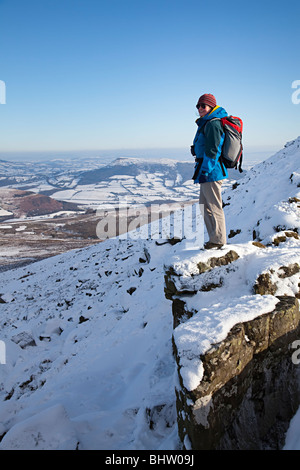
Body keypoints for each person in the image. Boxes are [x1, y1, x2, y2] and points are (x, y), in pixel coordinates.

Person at [191, 93, 228, 249]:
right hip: (205, 169)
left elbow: (213, 150)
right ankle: (214, 238)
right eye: (198, 106)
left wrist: (206, 170)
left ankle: (218, 240)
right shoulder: (206, 123)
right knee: (204, 205)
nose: (200, 108)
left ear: (211, 107)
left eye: (203, 106)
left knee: (213, 206)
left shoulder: (213, 123)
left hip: (210, 171)